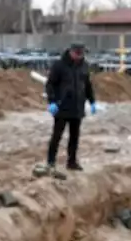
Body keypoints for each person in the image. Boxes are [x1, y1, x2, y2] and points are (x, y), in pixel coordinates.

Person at [37, 43, 96, 178]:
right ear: (70, 52)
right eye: (77, 53)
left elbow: (87, 85)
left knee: (74, 136)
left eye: (81, 54)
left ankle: (72, 161)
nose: (79, 56)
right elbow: (50, 84)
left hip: (77, 107)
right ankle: (51, 162)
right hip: (61, 107)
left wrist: (92, 101)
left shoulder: (84, 66)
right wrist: (52, 101)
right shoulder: (59, 65)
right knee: (57, 136)